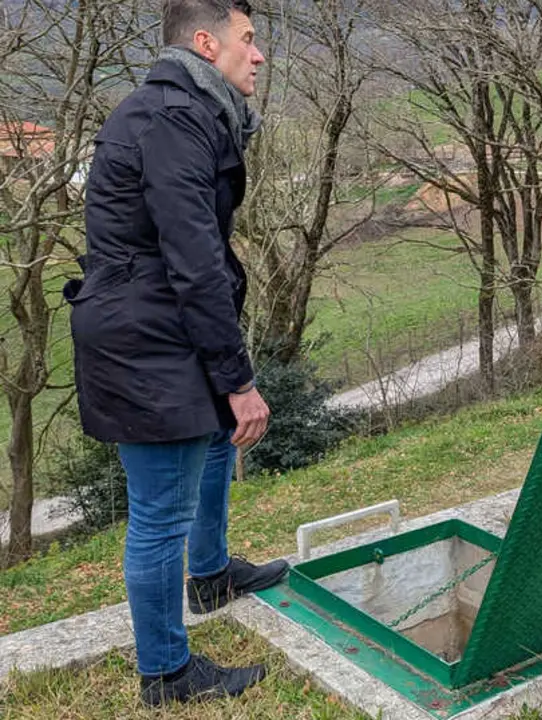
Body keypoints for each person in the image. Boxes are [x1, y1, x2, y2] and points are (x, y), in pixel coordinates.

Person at [65, 0, 287, 706]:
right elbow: (193, 256)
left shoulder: (187, 111)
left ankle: (212, 574)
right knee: (160, 513)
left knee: (218, 441)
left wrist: (227, 384)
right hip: (143, 338)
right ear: (203, 42)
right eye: (247, 41)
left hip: (157, 321)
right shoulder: (173, 119)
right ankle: (166, 672)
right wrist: (239, 379)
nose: (258, 55)